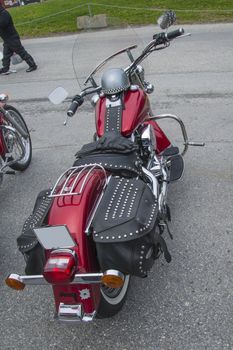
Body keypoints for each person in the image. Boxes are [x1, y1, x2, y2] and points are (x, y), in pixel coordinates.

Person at [0, 3, 37, 74]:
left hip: (12, 38)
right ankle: (5, 69)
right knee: (6, 56)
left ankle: (33, 65)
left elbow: (3, 24)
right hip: (7, 39)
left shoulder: (4, 13)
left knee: (21, 52)